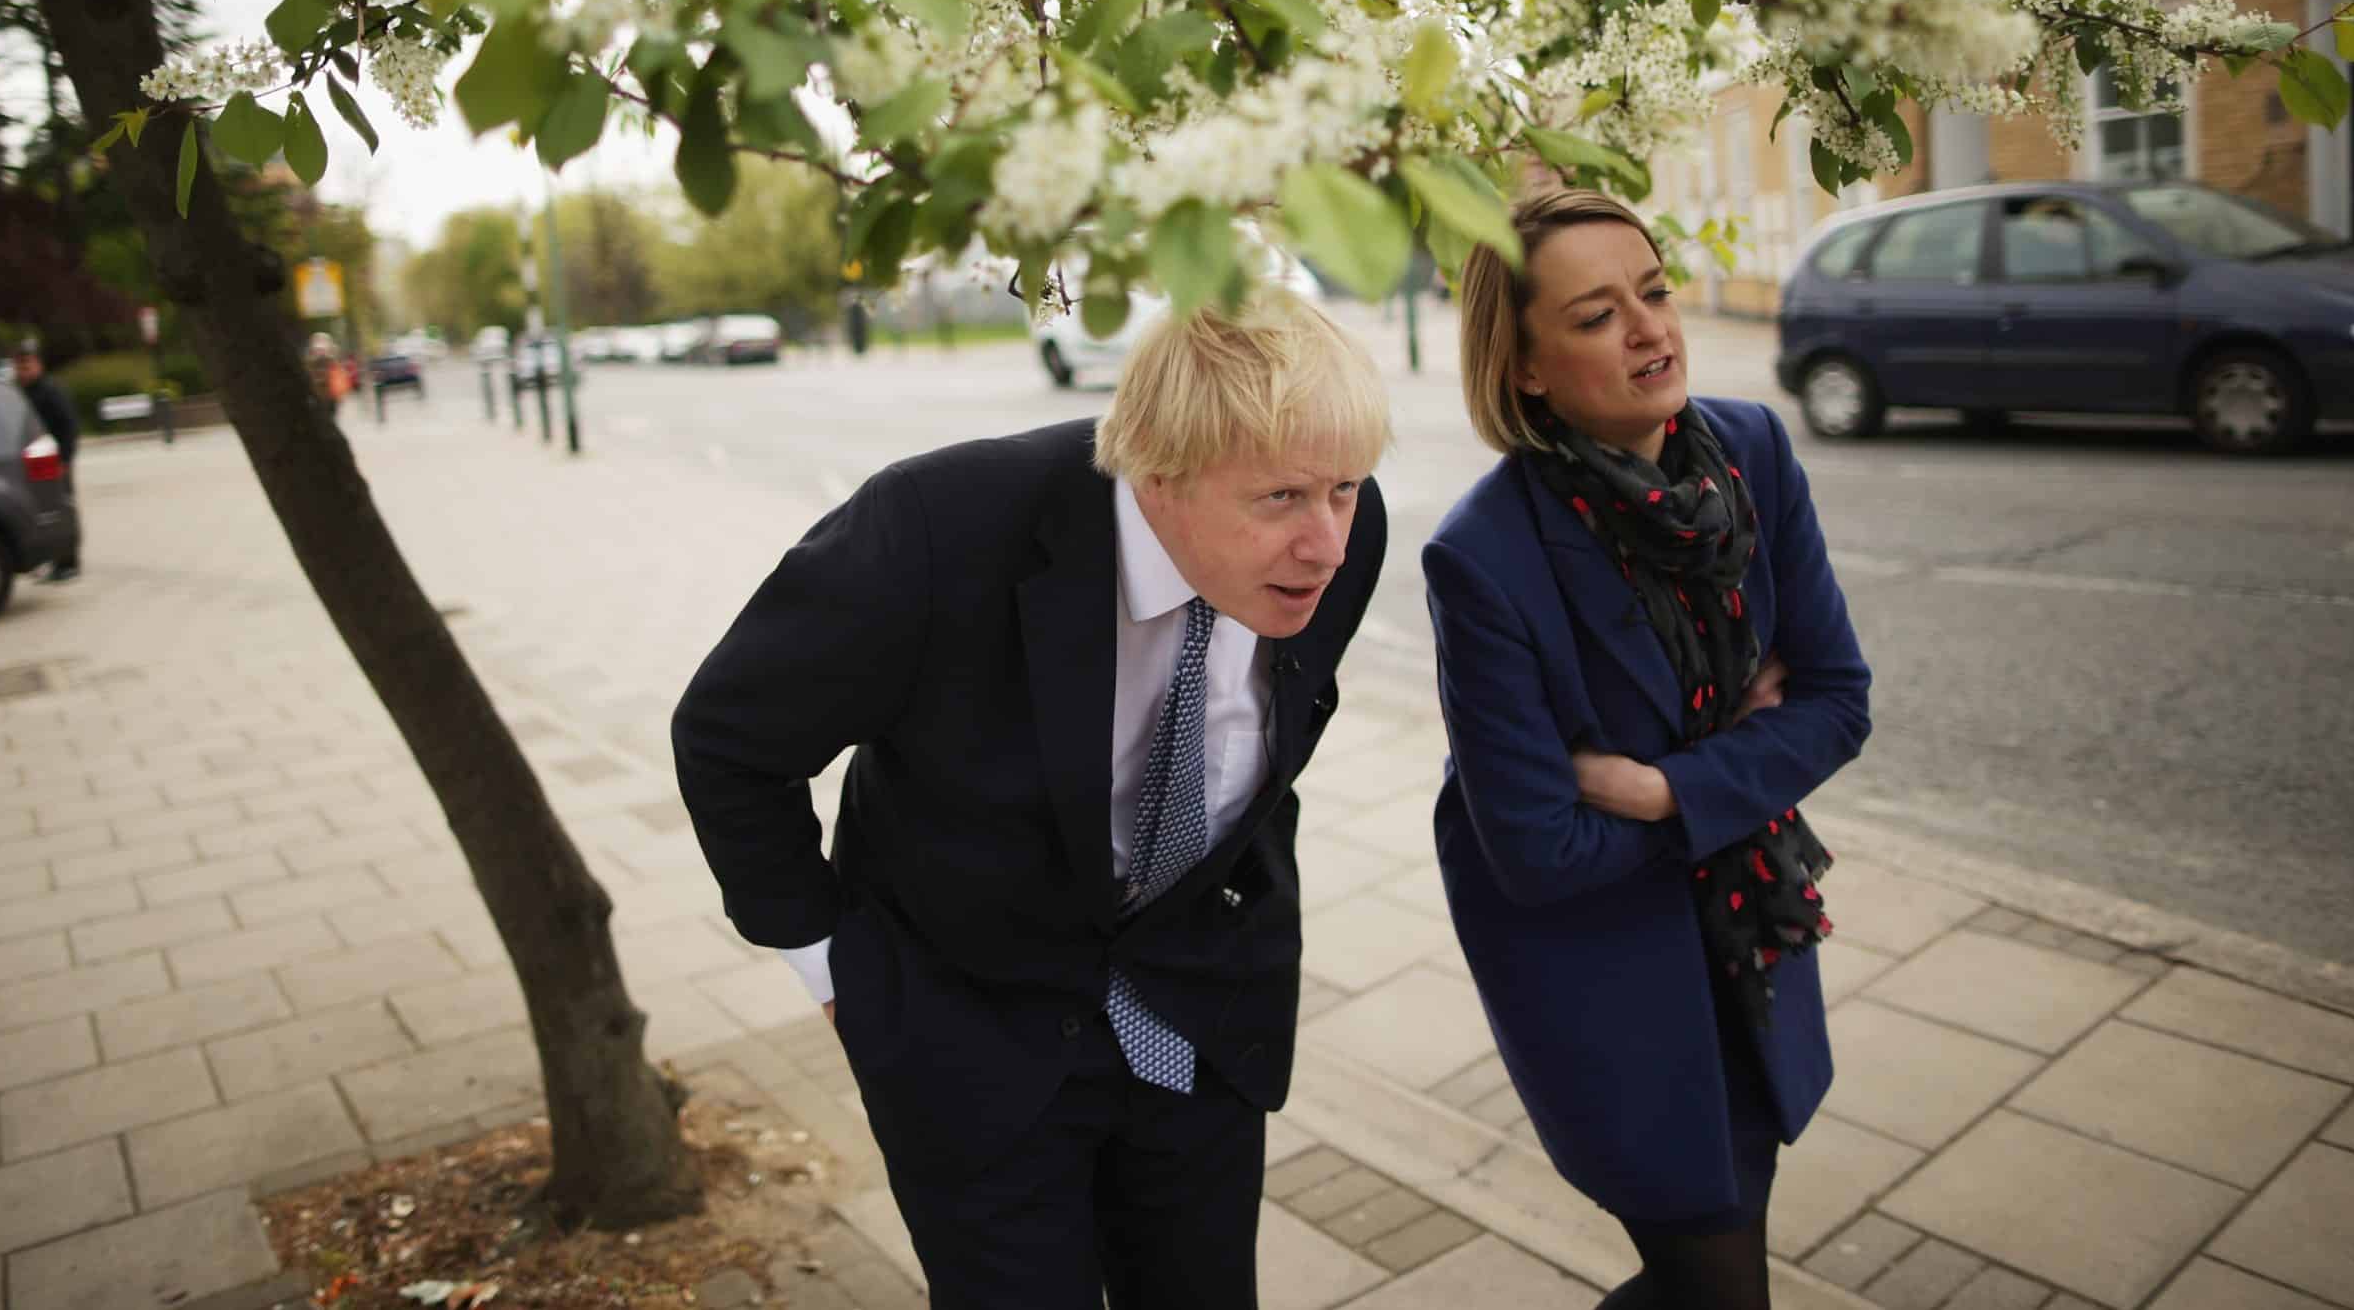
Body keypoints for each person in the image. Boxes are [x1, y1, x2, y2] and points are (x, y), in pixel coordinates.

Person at [674, 289, 1391, 1310]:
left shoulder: (1341, 546)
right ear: (1157, 471)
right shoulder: (937, 530)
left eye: (1347, 490)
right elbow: (729, 740)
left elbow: (1263, 760)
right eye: (1279, 499)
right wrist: (836, 971)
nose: (1325, 542)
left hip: (1198, 1026)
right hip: (970, 1043)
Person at [1424, 187, 1871, 1310]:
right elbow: (1539, 853)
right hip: (1607, 976)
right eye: (1594, 316)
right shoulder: (1483, 556)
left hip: (1750, 938)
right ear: (1523, 365)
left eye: (1654, 292)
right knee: (1714, 1275)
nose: (1650, 330)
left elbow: (1836, 699)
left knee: (1714, 1267)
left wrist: (1664, 791)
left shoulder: (1753, 453)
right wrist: (1742, 767)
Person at [12, 340, 80, 581]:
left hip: (55, 460)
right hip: (37, 461)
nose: (23, 371)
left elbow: (69, 426)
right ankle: (53, 561)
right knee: (46, 511)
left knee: (62, 508)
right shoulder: (21, 393)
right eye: (19, 366)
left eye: (27, 365)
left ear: (38, 365)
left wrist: (65, 459)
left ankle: (69, 563)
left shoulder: (50, 391)